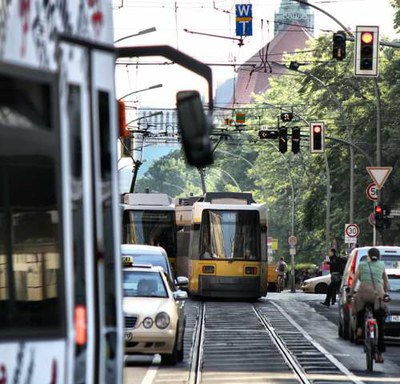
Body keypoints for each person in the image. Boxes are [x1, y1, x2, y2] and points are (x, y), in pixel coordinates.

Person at [349, 247, 389, 363]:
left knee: (359, 309)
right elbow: (386, 281)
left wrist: (351, 294)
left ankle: (360, 328)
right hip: (378, 295)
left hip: (363, 293)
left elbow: (355, 280)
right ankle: (380, 354)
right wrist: (384, 293)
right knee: (380, 322)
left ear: (368, 256)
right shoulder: (382, 265)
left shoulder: (362, 265)